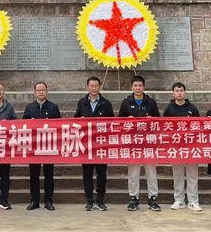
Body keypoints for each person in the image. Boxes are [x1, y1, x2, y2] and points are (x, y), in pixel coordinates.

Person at [118, 75, 161, 212]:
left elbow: (159, 121)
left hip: (148, 142)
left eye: (140, 86)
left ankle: (153, 198)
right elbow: (119, 122)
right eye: (135, 86)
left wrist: (152, 119)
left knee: (151, 172)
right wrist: (127, 120)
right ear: (131, 87)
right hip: (132, 143)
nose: (138, 88)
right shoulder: (126, 102)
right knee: (133, 173)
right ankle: (133, 198)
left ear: (144, 87)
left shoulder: (151, 102)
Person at [74, 75, 114, 211]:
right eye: (91, 86)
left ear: (100, 87)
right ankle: (89, 199)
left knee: (101, 173)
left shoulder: (106, 103)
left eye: (96, 86)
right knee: (87, 173)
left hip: (102, 144)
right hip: (86, 145)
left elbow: (112, 122)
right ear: (87, 87)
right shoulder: (82, 103)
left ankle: (101, 199)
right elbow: (75, 120)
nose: (94, 88)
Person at [22, 81, 61, 211]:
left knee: (49, 174)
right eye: (38, 90)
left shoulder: (53, 107)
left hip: (49, 146)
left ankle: (49, 201)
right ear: (34, 92)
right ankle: (34, 201)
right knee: (34, 174)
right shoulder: (29, 107)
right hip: (34, 146)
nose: (41, 92)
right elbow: (24, 125)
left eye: (43, 90)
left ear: (47, 91)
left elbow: (60, 125)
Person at [164, 82, 202, 211]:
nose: (179, 93)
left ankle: (193, 200)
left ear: (185, 92)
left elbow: (198, 127)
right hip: (176, 146)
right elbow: (165, 127)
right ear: (173, 93)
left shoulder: (193, 109)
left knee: (192, 175)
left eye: (181, 91)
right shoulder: (169, 109)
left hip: (191, 146)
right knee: (178, 175)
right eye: (177, 91)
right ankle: (179, 200)